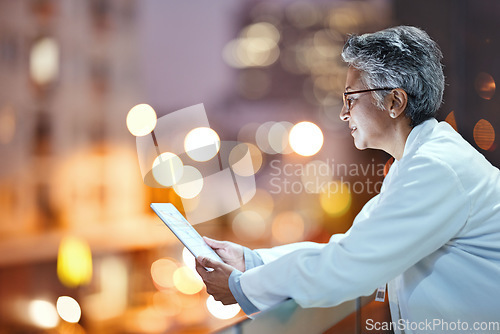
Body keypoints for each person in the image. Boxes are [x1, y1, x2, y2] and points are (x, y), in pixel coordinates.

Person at [195, 26, 500, 333]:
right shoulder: (421, 161)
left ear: (395, 102)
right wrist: (250, 260)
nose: (343, 113)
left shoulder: (436, 169)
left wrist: (242, 287)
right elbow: (349, 247)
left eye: (351, 98)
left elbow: (350, 266)